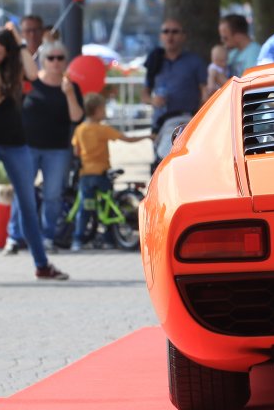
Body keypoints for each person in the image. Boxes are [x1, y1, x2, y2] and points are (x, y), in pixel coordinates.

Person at [0, 28, 68, 283]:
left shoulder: (15, 67)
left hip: (16, 143)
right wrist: (5, 91)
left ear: (7, 53)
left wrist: (20, 43)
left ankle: (41, 265)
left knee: (28, 204)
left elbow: (33, 74)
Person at [5, 39, 83, 255]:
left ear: (65, 61)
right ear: (42, 61)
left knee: (53, 195)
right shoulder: (31, 83)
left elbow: (77, 117)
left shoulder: (71, 86)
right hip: (27, 147)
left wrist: (69, 94)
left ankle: (47, 237)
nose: (56, 62)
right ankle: (15, 236)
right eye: (51, 58)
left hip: (58, 149)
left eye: (60, 58)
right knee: (23, 191)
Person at [71, 92, 150, 250]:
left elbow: (76, 151)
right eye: (103, 109)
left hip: (86, 175)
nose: (105, 112)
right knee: (107, 206)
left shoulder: (80, 130)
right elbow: (126, 139)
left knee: (86, 208)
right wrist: (147, 137)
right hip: (102, 174)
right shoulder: (103, 129)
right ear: (97, 110)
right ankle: (108, 239)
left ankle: (78, 240)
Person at [149, 17, 208, 167]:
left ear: (183, 36)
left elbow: (205, 92)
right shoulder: (154, 61)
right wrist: (152, 100)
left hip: (186, 120)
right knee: (160, 165)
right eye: (166, 31)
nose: (170, 35)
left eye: (175, 32)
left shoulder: (195, 61)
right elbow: (145, 94)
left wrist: (198, 118)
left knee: (178, 164)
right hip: (159, 123)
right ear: (161, 36)